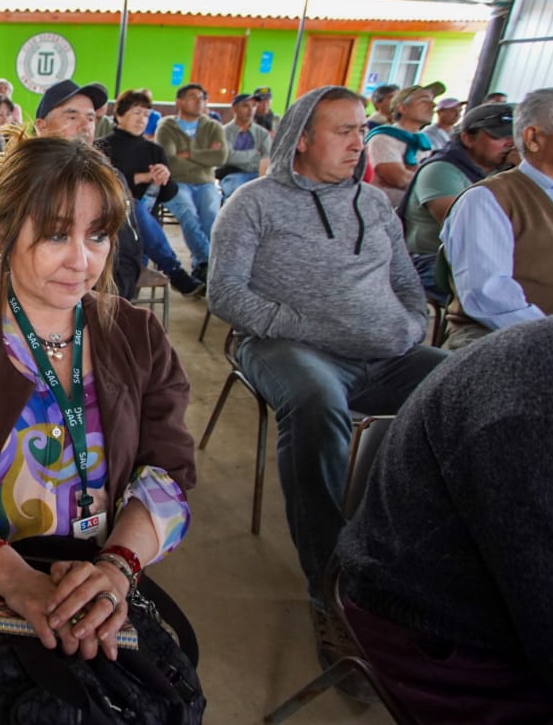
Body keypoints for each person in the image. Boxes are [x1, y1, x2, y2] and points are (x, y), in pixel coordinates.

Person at [0, 131, 197, 721]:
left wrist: (116, 569)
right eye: (55, 234)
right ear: (1, 229)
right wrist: (16, 579)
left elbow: (169, 471)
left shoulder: (137, 335)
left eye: (97, 234)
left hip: (96, 574)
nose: (82, 259)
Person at [207, 85, 447, 683]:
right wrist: (312, 326)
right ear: (303, 139)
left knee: (460, 385)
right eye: (343, 130)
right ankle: (333, 586)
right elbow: (226, 293)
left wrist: (413, 326)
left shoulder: (372, 204)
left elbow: (406, 284)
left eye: (361, 129)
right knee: (317, 404)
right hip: (287, 348)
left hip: (383, 353)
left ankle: (429, 565)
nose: (357, 141)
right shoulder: (254, 204)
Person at [336, 316, 553, 723]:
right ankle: (318, 567)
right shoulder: (529, 414)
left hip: (379, 344)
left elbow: (407, 293)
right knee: (313, 404)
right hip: (439, 627)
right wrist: (339, 327)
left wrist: (394, 328)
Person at [440, 88, 553, 349]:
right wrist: (549, 339)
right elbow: (489, 296)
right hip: (503, 342)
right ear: (534, 137)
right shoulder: (486, 199)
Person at [36, 79, 144, 297]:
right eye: (72, 116)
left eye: (91, 118)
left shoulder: (111, 179)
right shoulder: (21, 180)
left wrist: (107, 304)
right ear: (41, 126)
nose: (84, 126)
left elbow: (128, 249)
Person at [96, 88, 205, 296]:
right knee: (132, 205)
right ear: (119, 115)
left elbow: (167, 196)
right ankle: (175, 271)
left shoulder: (155, 151)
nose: (142, 119)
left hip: (145, 235)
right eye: (136, 113)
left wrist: (165, 179)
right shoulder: (102, 146)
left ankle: (173, 271)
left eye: (146, 115)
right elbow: (104, 188)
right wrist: (141, 178)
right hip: (115, 229)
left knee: (139, 211)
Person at [398, 102, 514, 296]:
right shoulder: (441, 169)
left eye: (514, 136)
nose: (510, 144)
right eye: (499, 137)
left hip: (479, 261)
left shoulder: (502, 172)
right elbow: (466, 230)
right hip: (432, 262)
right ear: (468, 139)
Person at [154, 83, 228, 282]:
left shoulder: (213, 126)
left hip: (206, 183)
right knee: (188, 215)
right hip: (177, 183)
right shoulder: (167, 126)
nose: (199, 101)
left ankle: (201, 267)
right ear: (179, 101)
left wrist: (190, 154)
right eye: (193, 97)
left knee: (212, 215)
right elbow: (169, 160)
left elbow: (220, 157)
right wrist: (204, 158)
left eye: (203, 98)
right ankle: (209, 264)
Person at [365, 82, 445, 207]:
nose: (433, 105)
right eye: (424, 101)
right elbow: (399, 178)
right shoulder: (384, 138)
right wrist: (435, 182)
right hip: (382, 210)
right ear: (402, 108)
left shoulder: (424, 142)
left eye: (432, 101)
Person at [218, 93, 272, 200]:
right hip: (233, 174)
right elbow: (227, 157)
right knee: (234, 194)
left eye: (254, 106)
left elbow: (267, 158)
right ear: (234, 109)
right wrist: (255, 154)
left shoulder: (262, 133)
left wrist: (240, 157)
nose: (250, 110)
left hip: (257, 174)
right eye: (245, 106)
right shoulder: (223, 132)